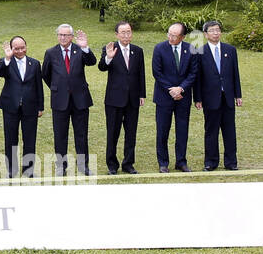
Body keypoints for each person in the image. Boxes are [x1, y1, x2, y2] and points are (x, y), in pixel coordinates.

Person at [41, 24, 97, 177]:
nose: (63, 38)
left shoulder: (79, 50)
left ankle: (83, 166)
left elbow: (92, 61)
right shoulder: (51, 52)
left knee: (81, 134)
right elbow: (45, 74)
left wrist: (85, 47)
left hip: (80, 100)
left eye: (66, 35)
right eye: (60, 35)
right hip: (60, 100)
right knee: (60, 135)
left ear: (72, 37)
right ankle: (61, 166)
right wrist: (57, 86)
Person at [0, 36, 44, 178]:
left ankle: (28, 170)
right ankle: (11, 169)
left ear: (26, 46)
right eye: (16, 48)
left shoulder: (35, 64)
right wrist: (2, 60)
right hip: (10, 107)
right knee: (10, 139)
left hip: (30, 107)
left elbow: (39, 86)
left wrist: (40, 106)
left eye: (22, 47)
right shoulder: (6, 63)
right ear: (11, 49)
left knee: (30, 139)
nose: (19, 51)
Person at [98, 21, 147, 175]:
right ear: (117, 34)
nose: (126, 35)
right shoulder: (110, 49)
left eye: (129, 32)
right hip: (114, 99)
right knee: (113, 132)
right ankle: (112, 165)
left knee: (131, 133)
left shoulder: (138, 51)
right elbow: (101, 67)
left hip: (132, 99)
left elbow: (141, 74)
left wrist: (142, 94)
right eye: (123, 32)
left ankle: (128, 163)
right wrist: (108, 57)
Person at [194, 20, 242, 171]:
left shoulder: (230, 50)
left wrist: (238, 95)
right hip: (210, 98)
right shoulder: (200, 52)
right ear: (205, 34)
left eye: (217, 30)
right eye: (212, 30)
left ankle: (231, 162)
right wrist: (198, 98)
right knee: (211, 131)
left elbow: (235, 73)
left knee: (229, 131)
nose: (215, 33)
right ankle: (211, 162)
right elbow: (198, 78)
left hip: (227, 97)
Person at [152, 22, 199, 173]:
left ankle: (181, 161)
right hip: (164, 97)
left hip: (183, 98)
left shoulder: (191, 49)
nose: (170, 37)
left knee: (182, 130)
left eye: (174, 35)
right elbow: (157, 72)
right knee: (162, 131)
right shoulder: (159, 48)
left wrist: (181, 88)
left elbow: (193, 73)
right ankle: (163, 163)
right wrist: (171, 90)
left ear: (183, 37)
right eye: (169, 34)